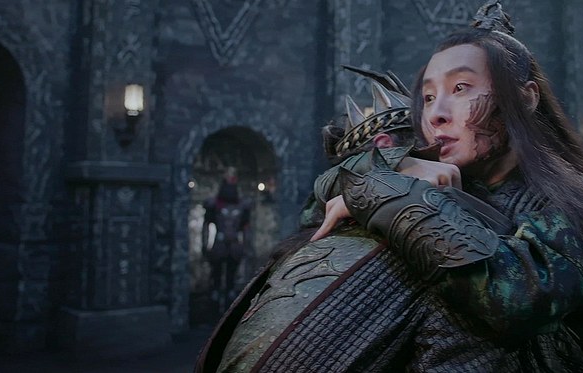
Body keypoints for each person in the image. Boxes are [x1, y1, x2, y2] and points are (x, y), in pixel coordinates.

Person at [313, 0, 583, 371]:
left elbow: (515, 299)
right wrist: (393, 174)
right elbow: (320, 206)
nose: (436, 114)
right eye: (428, 97)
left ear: (525, 98)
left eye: (460, 88)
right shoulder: (435, 181)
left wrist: (393, 195)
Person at [197, 67, 522, 372]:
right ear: (385, 146)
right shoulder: (427, 242)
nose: (441, 149)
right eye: (427, 143)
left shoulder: (321, 227)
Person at [203, 167, 252, 310]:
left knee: (231, 275)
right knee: (216, 275)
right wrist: (205, 245)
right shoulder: (214, 205)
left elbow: (245, 227)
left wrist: (246, 246)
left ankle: (227, 297)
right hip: (220, 244)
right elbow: (206, 225)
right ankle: (215, 296)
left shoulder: (241, 205)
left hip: (234, 245)